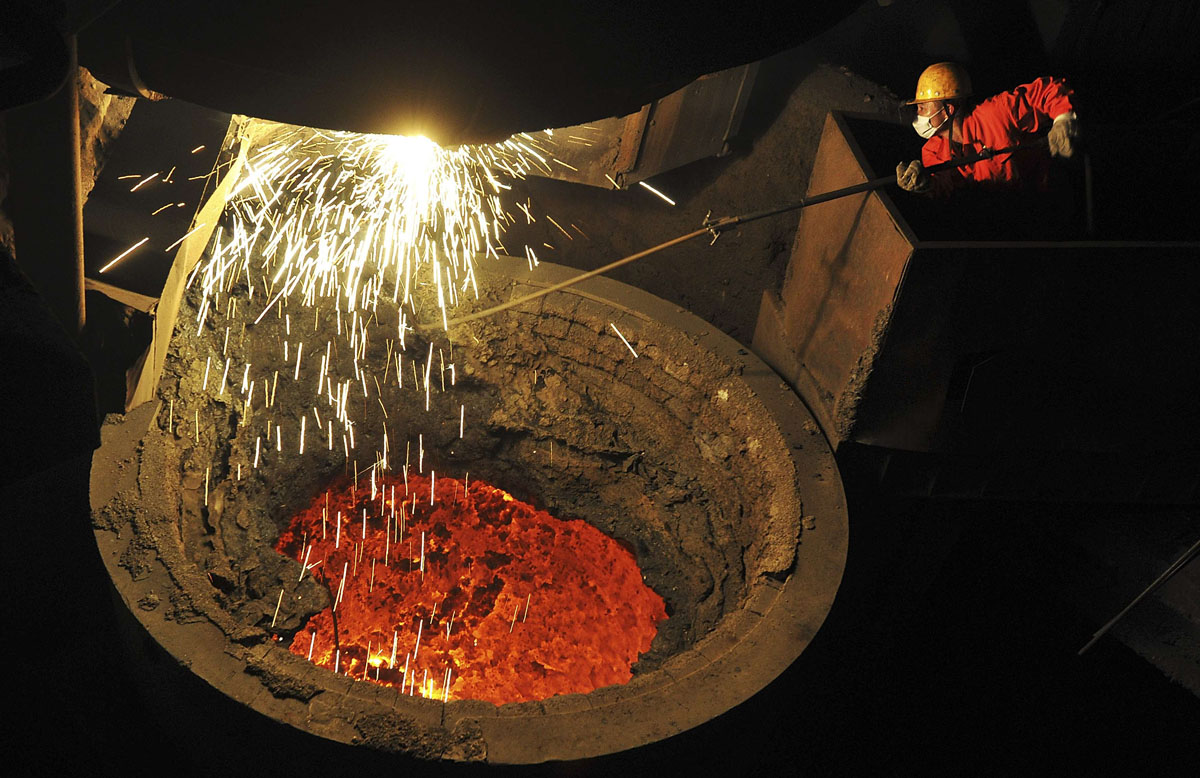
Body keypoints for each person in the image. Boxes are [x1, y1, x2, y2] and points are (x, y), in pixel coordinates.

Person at [896, 62, 1080, 199]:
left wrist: (1064, 120)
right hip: (1007, 213)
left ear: (949, 109)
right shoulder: (933, 151)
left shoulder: (997, 112)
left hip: (1050, 194)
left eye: (922, 106)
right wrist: (924, 184)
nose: (917, 113)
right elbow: (943, 186)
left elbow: (1049, 90)